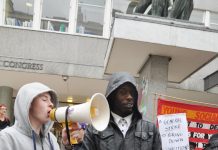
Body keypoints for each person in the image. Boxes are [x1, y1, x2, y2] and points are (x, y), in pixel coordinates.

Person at [62, 72, 162, 150]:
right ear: (112, 96)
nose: (129, 97)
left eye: (132, 93)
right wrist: (69, 146)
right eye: (123, 92)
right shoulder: (94, 129)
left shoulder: (150, 129)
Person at [0, 82, 60, 150]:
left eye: (51, 100)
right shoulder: (6, 138)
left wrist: (70, 145)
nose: (51, 104)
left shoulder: (52, 139)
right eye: (44, 99)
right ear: (28, 103)